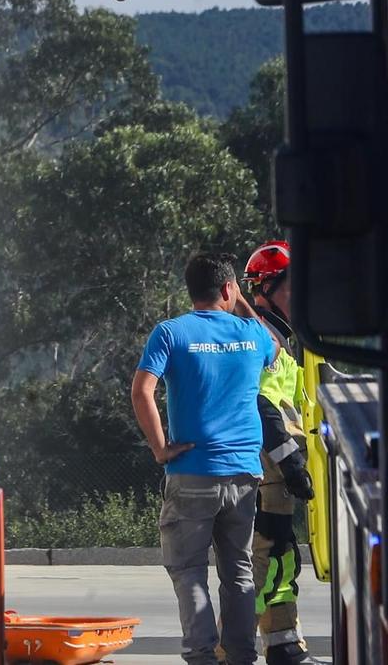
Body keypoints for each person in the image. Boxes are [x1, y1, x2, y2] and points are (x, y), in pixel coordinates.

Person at [132, 253, 279, 665]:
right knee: (239, 572)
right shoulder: (252, 336)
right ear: (229, 289)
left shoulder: (171, 333)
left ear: (190, 290)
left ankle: (201, 657)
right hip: (245, 474)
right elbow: (277, 351)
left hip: (192, 472)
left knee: (190, 570)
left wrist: (161, 448)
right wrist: (243, 302)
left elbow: (142, 390)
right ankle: (242, 657)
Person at [244, 240, 315, 665]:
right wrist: (292, 464)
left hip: (279, 476)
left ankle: (284, 645)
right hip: (268, 471)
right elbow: (264, 407)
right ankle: (226, 652)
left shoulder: (281, 337)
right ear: (269, 287)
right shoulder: (265, 338)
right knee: (265, 563)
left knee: (281, 557)